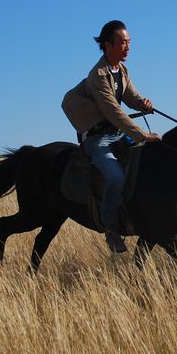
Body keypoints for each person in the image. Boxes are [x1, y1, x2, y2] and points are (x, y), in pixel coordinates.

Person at [62, 20, 160, 253]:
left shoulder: (122, 70)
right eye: (123, 42)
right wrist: (141, 135)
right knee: (115, 178)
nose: (127, 47)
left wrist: (142, 103)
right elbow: (112, 111)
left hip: (117, 134)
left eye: (129, 42)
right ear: (108, 45)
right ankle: (111, 229)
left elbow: (131, 96)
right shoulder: (97, 75)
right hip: (98, 140)